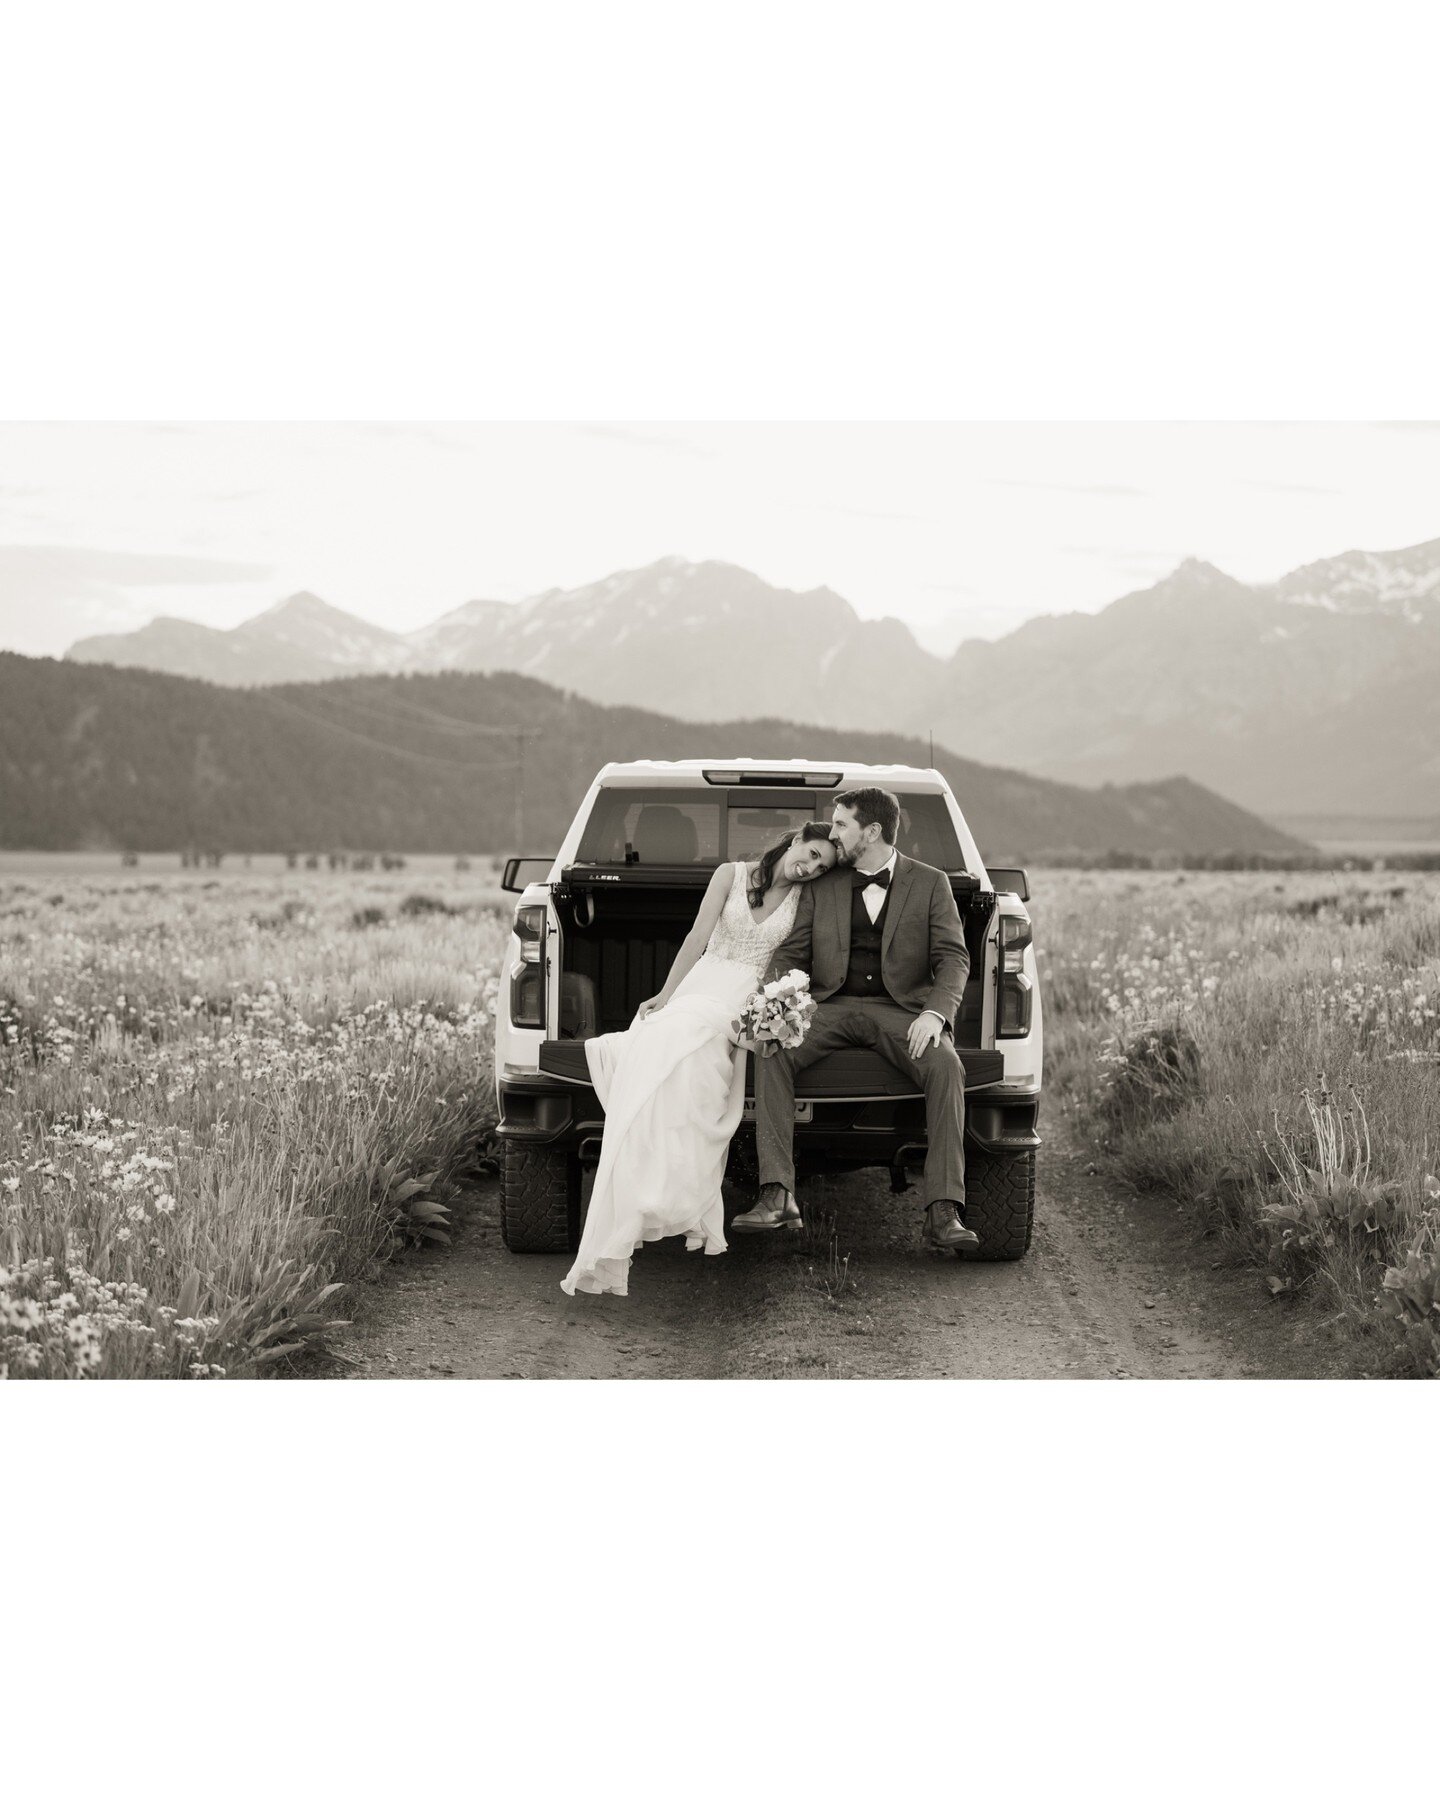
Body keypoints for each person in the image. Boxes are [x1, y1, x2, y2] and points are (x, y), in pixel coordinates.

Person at [560, 820, 839, 1297]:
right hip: (702, 983)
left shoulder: (806, 900)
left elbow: (798, 958)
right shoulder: (729, 875)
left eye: (820, 866)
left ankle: (667, 1192)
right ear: (795, 840)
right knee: (663, 1036)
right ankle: (644, 1187)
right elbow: (696, 937)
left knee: (698, 1058)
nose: (810, 867)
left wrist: (774, 1007)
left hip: (747, 998)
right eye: (811, 853)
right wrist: (666, 994)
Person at [738, 786, 978, 1251]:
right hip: (829, 1007)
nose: (833, 832)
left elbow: (954, 958)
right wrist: (778, 999)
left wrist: (935, 1013)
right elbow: (793, 950)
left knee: (947, 1065)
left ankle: (943, 1211)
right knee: (770, 1047)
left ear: (871, 831)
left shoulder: (931, 883)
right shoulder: (823, 884)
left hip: (902, 1012)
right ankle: (776, 1194)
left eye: (842, 824)